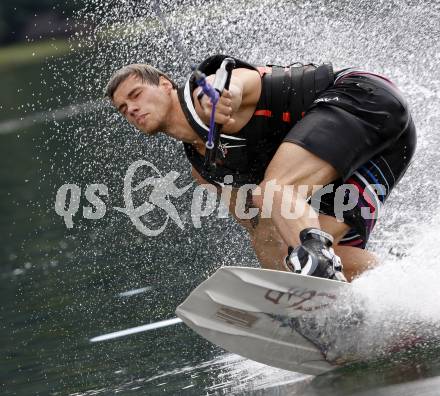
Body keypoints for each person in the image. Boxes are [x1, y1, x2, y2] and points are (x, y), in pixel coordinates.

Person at [105, 54, 416, 282]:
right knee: (288, 244)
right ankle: (406, 292)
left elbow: (237, 81)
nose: (132, 109)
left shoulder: (206, 94)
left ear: (164, 85)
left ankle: (318, 270)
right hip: (389, 148)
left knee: (276, 191)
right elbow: (262, 234)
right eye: (123, 109)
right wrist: (284, 295)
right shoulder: (204, 169)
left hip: (364, 99)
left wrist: (226, 96)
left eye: (136, 95)